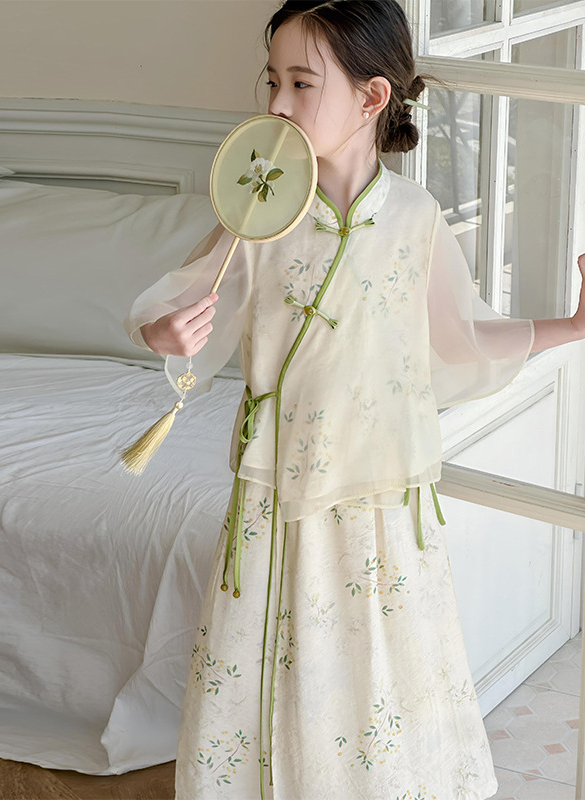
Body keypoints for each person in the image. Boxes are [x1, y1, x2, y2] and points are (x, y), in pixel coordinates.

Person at [124, 1, 585, 798]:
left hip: (381, 498)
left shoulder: (415, 217)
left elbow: (459, 339)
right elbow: (177, 300)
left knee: (378, 666)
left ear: (372, 98)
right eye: (272, 80)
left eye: (302, 83)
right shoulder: (262, 210)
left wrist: (570, 327)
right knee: (274, 659)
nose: (276, 104)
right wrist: (164, 330)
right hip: (280, 494)